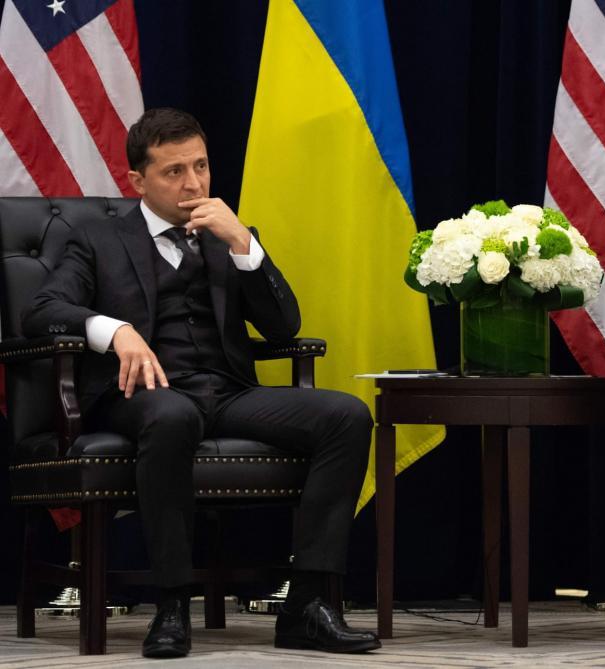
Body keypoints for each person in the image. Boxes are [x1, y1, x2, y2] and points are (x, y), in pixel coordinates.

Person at [23, 108, 380, 658]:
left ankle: (308, 604)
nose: (194, 183)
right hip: (139, 396)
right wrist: (114, 331)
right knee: (172, 415)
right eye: (174, 171)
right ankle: (171, 605)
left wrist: (244, 246)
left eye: (201, 166)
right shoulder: (98, 238)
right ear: (138, 181)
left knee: (346, 415)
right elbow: (41, 310)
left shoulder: (227, 237)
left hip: (228, 391)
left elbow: (284, 328)